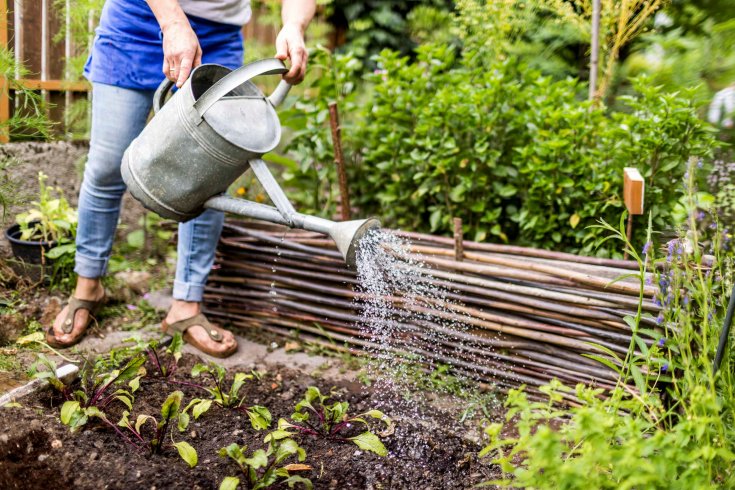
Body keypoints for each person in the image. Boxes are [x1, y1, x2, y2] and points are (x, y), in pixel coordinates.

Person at [46, 0, 316, 357]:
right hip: (138, 22)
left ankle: (186, 306)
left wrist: (294, 25)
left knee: (209, 175)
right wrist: (173, 23)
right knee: (107, 166)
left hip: (217, 38)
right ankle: (87, 286)